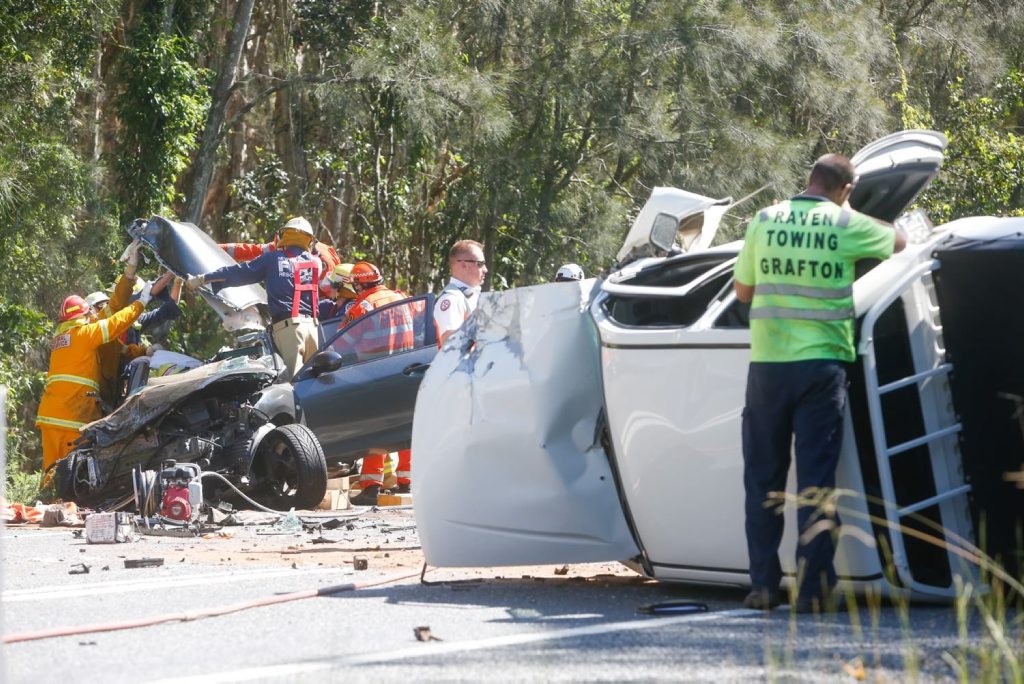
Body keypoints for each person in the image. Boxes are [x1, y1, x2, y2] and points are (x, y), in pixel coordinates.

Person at [733, 153, 906, 613]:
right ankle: (812, 592)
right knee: (815, 483)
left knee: (762, 480)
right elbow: (902, 242)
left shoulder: (764, 220)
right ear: (845, 190)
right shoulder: (844, 225)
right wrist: (848, 214)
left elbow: (743, 293)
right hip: (822, 368)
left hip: (768, 367)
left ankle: (764, 587)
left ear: (808, 179)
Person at [35, 285, 153, 472]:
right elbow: (115, 323)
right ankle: (65, 501)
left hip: (49, 417)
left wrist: (142, 351)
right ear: (82, 316)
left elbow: (118, 344)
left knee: (50, 470)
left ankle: (46, 499)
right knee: (73, 472)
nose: (92, 317)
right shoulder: (84, 334)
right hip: (72, 418)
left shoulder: (60, 339)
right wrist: (141, 303)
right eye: (89, 314)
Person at [187, 217, 321, 381]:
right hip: (313, 329)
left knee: (294, 385)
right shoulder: (315, 264)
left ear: (284, 235)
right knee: (314, 383)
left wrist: (203, 279)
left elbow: (238, 272)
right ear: (309, 240)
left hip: (290, 331)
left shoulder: (272, 259)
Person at [340, 261, 415, 506]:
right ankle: (407, 480)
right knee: (405, 426)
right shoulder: (400, 298)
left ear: (361, 283)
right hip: (406, 371)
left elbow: (342, 343)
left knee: (375, 430)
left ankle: (371, 487)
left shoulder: (363, 307)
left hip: (377, 374)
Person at [219, 217, 340, 298]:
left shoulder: (322, 264)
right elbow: (248, 251)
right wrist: (213, 246)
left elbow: (329, 296)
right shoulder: (283, 246)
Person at [434, 239, 487, 348]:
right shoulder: (452, 299)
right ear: (463, 265)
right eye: (480, 264)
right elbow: (452, 348)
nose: (485, 269)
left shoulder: (471, 295)